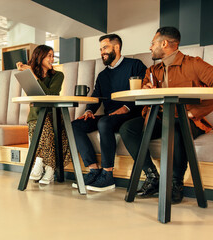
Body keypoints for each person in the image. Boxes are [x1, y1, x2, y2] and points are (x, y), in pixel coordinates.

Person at [119, 26, 213, 203]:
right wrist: (146, 92)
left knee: (176, 126)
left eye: (152, 43)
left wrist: (193, 112)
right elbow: (142, 98)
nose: (150, 47)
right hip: (159, 119)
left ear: (164, 43)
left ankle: (175, 184)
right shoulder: (152, 71)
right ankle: (152, 177)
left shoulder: (193, 64)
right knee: (128, 129)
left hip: (186, 121)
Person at [71, 34, 147, 192]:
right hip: (111, 116)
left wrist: (127, 107)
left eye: (105, 48)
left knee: (104, 122)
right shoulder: (102, 75)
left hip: (131, 114)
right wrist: (89, 111)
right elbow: (96, 96)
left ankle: (108, 175)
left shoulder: (135, 65)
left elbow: (144, 92)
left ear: (117, 47)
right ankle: (93, 169)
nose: (102, 52)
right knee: (75, 125)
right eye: (100, 49)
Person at [16, 45, 71, 185]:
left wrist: (32, 75)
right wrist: (28, 74)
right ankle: (49, 168)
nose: (52, 59)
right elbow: (32, 95)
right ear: (40, 57)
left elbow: (51, 94)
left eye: (53, 56)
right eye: (49, 56)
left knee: (45, 125)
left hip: (53, 115)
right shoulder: (30, 74)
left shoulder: (58, 75)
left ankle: (41, 163)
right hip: (35, 115)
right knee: (40, 124)